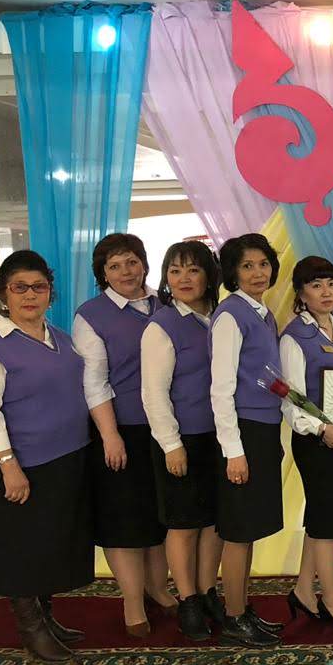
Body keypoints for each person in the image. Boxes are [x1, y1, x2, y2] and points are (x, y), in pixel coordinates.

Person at [0, 251, 93, 662]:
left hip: (68, 456)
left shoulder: (62, 338)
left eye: (39, 287)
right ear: (3, 294)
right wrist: (9, 466)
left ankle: (47, 617)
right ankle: (30, 628)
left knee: (52, 543)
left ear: (50, 293)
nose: (30, 295)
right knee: (24, 548)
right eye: (19, 287)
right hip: (25, 463)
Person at [74, 233, 172, 638]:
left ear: (144, 264)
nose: (126, 272)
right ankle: (133, 601)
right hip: (121, 430)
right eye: (114, 266)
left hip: (168, 430)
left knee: (160, 515)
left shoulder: (166, 305)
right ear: (103, 274)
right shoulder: (91, 315)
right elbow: (93, 382)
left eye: (131, 262)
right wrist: (110, 435)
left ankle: (158, 588)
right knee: (125, 520)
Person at [140, 240, 224, 641]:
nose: (184, 279)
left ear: (209, 275)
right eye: (175, 271)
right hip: (180, 439)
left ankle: (208, 593)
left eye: (193, 270)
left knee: (213, 522)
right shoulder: (162, 325)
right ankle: (188, 600)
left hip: (220, 437)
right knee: (184, 524)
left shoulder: (221, 317)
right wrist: (171, 444)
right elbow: (153, 393)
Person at [279, 256, 333, 630]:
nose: (326, 292)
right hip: (316, 441)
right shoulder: (293, 337)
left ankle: (304, 590)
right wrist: (320, 429)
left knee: (324, 516)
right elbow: (291, 400)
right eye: (316, 285)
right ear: (301, 293)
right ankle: (331, 597)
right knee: (327, 522)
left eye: (331, 284)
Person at [209, 233, 285, 647]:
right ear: (232, 273)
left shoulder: (262, 313)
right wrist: (234, 452)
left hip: (263, 427)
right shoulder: (230, 316)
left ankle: (242, 606)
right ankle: (233, 616)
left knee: (250, 527)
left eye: (263, 264)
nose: (258, 272)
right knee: (238, 531)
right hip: (242, 431)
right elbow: (221, 389)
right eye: (247, 266)